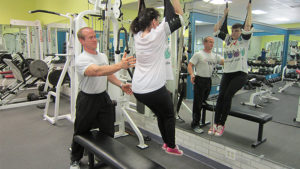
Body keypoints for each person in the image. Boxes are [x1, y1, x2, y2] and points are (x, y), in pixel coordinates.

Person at [70, 27, 136, 169]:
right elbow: (96, 71)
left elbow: (107, 73)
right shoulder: (81, 59)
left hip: (103, 97)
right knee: (81, 130)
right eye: (90, 37)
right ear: (81, 41)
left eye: (95, 36)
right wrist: (120, 65)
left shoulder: (102, 56)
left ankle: (105, 156)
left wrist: (120, 84)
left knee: (107, 129)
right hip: (87, 99)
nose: (95, 39)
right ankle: (75, 159)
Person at [130, 0, 184, 155]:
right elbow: (179, 16)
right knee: (168, 115)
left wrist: (141, 4)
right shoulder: (158, 33)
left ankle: (167, 143)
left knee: (161, 114)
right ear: (153, 22)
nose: (160, 22)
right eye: (158, 21)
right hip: (153, 88)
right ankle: (171, 146)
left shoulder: (137, 35)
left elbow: (141, 15)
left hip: (138, 90)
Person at [209, 2, 253, 136]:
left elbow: (247, 25)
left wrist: (249, 10)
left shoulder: (244, 40)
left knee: (227, 96)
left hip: (240, 74)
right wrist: (224, 15)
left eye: (237, 31)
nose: (234, 33)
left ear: (241, 32)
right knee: (220, 97)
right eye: (233, 30)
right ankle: (215, 123)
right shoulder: (227, 39)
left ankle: (221, 124)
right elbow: (216, 28)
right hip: (227, 73)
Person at [188, 36, 224, 134]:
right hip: (199, 80)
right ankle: (195, 124)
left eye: (212, 42)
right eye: (209, 42)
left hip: (208, 80)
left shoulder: (214, 56)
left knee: (203, 102)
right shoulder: (198, 54)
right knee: (197, 104)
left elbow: (224, 62)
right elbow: (190, 65)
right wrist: (192, 74)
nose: (211, 44)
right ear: (204, 43)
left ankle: (200, 121)